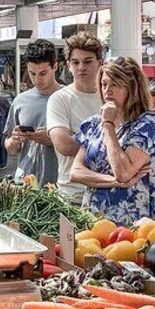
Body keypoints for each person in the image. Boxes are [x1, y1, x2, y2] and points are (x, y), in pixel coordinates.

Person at [70, 57, 155, 224]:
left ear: (132, 88)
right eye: (104, 84)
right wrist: (113, 182)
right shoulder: (94, 123)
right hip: (94, 220)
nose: (108, 91)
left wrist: (108, 126)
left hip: (134, 223)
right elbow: (76, 172)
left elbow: (123, 172)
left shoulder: (149, 125)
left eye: (115, 84)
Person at [46, 31, 103, 203]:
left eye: (87, 61)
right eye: (75, 62)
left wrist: (78, 137)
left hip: (107, 192)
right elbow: (63, 144)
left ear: (100, 63)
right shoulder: (60, 99)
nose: (81, 67)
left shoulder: (110, 96)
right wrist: (107, 142)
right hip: (72, 195)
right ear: (68, 65)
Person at [5, 40, 60, 185]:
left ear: (55, 66)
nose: (37, 79)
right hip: (25, 182)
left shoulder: (69, 98)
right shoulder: (20, 101)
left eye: (43, 73)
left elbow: (83, 145)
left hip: (59, 184)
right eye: (32, 73)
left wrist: (55, 139)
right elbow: (9, 146)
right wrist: (14, 141)